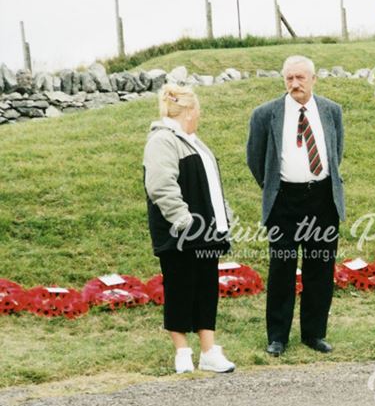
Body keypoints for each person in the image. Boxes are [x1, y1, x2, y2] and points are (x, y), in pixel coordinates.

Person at [246, 55, 345, 356]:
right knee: (282, 269)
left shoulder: (331, 111)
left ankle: (314, 334)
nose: (295, 84)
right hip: (284, 202)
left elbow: (335, 152)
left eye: (301, 78)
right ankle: (278, 337)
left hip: (322, 200)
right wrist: (274, 189)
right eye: (289, 78)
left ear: (314, 79)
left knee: (320, 267)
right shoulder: (265, 114)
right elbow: (255, 159)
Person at [144, 83, 236, 374]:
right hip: (180, 234)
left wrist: (225, 216)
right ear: (189, 111)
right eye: (198, 111)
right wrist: (184, 221)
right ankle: (182, 352)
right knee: (180, 286)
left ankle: (209, 351)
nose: (200, 116)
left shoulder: (194, 141)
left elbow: (211, 187)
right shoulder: (162, 140)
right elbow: (161, 186)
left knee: (206, 288)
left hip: (206, 234)